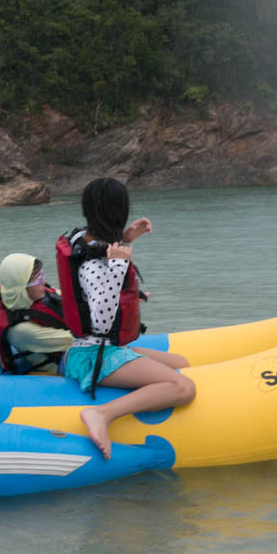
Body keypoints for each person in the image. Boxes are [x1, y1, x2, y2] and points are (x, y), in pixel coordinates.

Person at [59, 177, 195, 460]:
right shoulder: (94, 262)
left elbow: (100, 251)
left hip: (106, 350)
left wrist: (127, 238)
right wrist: (119, 265)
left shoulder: (86, 239)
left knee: (182, 364)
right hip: (95, 357)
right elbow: (102, 321)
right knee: (182, 387)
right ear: (119, 210)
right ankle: (101, 414)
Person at [0, 253, 72, 374]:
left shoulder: (35, 296)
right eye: (39, 279)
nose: (44, 283)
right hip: (61, 363)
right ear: (21, 288)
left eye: (42, 275)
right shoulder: (20, 331)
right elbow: (74, 341)